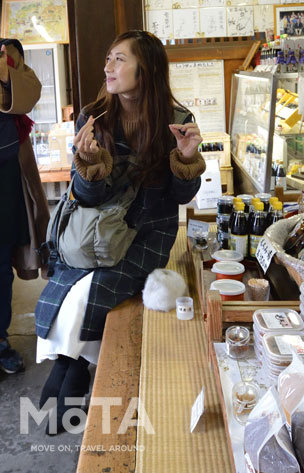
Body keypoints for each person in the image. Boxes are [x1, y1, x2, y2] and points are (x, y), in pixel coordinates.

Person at [34, 30, 206, 435]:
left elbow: (180, 197)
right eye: (108, 59)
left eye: (119, 60)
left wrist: (187, 159)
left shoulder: (177, 121)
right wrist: (88, 163)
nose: (108, 67)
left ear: (145, 70)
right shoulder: (94, 117)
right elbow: (89, 197)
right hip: (98, 230)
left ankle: (68, 378)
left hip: (148, 234)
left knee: (94, 291)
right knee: (69, 288)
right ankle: (71, 371)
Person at [0, 39, 50, 375]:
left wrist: (6, 76)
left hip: (4, 174)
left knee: (1, 262)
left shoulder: (8, 50)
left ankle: (0, 340)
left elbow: (29, 94)